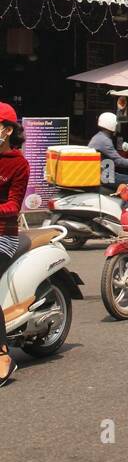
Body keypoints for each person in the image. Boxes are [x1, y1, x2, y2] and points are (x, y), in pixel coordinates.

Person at [0, 103, 29, 386]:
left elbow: (13, 205)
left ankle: (3, 353)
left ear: (7, 130)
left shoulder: (19, 163)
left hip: (4, 236)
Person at [89, 111, 128, 188]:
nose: (118, 127)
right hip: (106, 177)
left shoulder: (100, 137)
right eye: (116, 125)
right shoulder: (104, 140)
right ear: (111, 125)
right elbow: (118, 161)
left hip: (106, 173)